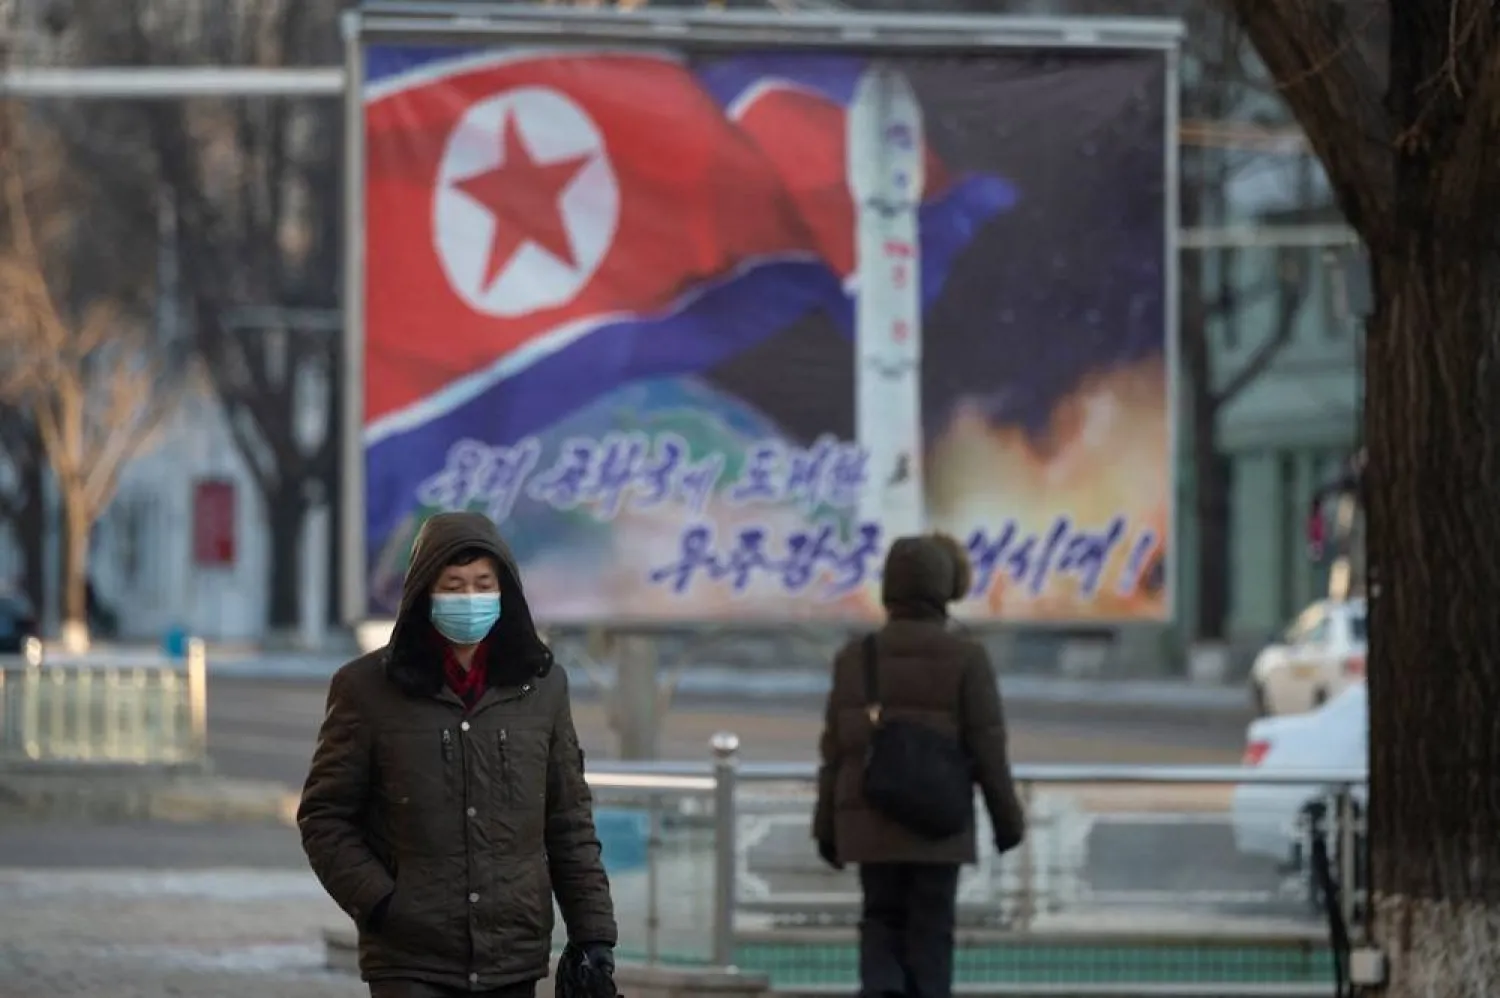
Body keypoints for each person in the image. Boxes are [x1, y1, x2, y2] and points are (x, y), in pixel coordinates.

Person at [298, 511, 617, 998]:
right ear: (425, 593)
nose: (470, 599)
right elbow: (324, 817)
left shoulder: (542, 687)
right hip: (410, 958)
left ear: (504, 591)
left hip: (513, 955)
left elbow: (568, 820)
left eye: (482, 584)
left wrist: (593, 934)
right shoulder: (366, 689)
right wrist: (383, 903)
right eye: (453, 586)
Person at [813, 532, 1025, 998]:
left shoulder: (856, 657)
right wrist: (1007, 822)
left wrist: (825, 828)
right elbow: (989, 747)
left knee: (880, 926)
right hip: (939, 827)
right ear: (944, 587)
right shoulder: (968, 658)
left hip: (870, 822)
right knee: (931, 938)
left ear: (890, 587)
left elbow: (836, 751)